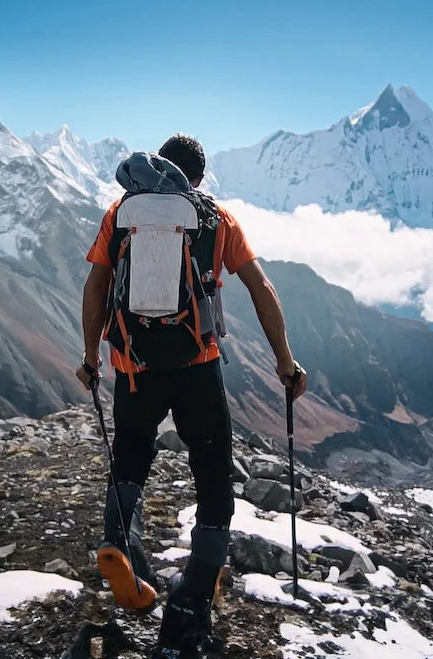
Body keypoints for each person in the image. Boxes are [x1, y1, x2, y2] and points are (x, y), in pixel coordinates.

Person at [75, 134, 308, 658]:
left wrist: (91, 357)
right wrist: (285, 363)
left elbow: (95, 287)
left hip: (133, 366)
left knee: (131, 452)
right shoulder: (216, 219)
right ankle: (193, 596)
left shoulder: (121, 214)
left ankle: (120, 541)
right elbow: (262, 290)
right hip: (197, 368)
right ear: (197, 180)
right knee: (211, 473)